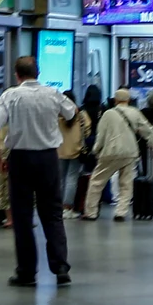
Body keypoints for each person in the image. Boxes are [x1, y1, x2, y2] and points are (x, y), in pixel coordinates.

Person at [0, 56, 77, 287]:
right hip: (48, 158)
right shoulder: (52, 94)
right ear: (38, 72)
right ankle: (60, 269)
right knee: (53, 214)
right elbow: (71, 112)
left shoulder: (11, 95)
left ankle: (26, 272)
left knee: (22, 217)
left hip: (20, 159)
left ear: (17, 75)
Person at [83, 87, 153, 222]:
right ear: (128, 100)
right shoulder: (135, 112)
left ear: (115, 100)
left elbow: (101, 135)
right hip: (130, 151)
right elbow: (147, 129)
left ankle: (91, 212)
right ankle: (121, 212)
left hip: (111, 152)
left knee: (97, 182)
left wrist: (96, 150)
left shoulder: (108, 114)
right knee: (126, 184)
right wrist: (152, 142)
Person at [57, 89, 91, 219]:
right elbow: (87, 131)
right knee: (72, 178)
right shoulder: (81, 115)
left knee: (61, 179)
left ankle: (59, 206)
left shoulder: (57, 115)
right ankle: (68, 207)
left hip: (60, 150)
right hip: (76, 150)